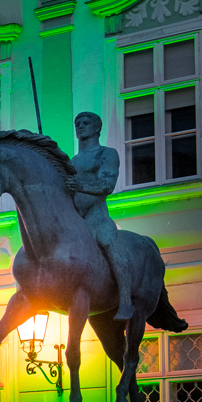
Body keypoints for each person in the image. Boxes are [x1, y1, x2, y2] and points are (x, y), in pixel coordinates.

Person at [65, 110, 135, 320]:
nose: (80, 126)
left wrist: (80, 184)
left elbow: (107, 184)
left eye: (85, 122)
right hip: (75, 216)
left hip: (96, 215)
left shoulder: (106, 153)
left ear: (97, 128)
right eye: (77, 123)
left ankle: (125, 300)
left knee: (107, 240)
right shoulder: (72, 160)